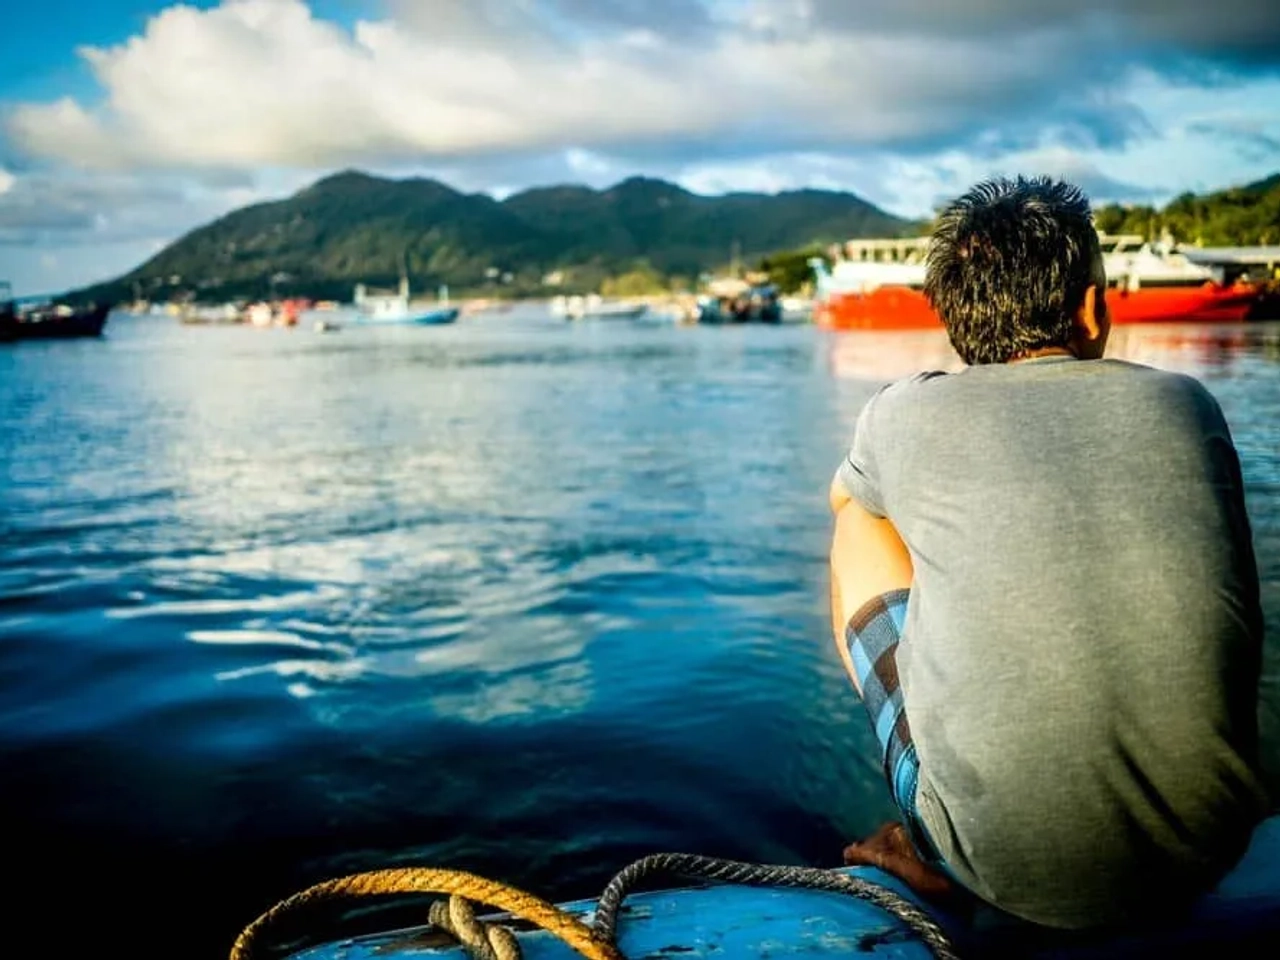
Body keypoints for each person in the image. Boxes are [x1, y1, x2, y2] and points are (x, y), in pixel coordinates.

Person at [828, 176, 1269, 932]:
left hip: (999, 871)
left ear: (955, 316)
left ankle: (932, 838)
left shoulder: (899, 411)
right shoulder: (1187, 402)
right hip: (1210, 848)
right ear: (1094, 307)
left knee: (858, 519)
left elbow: (851, 509)